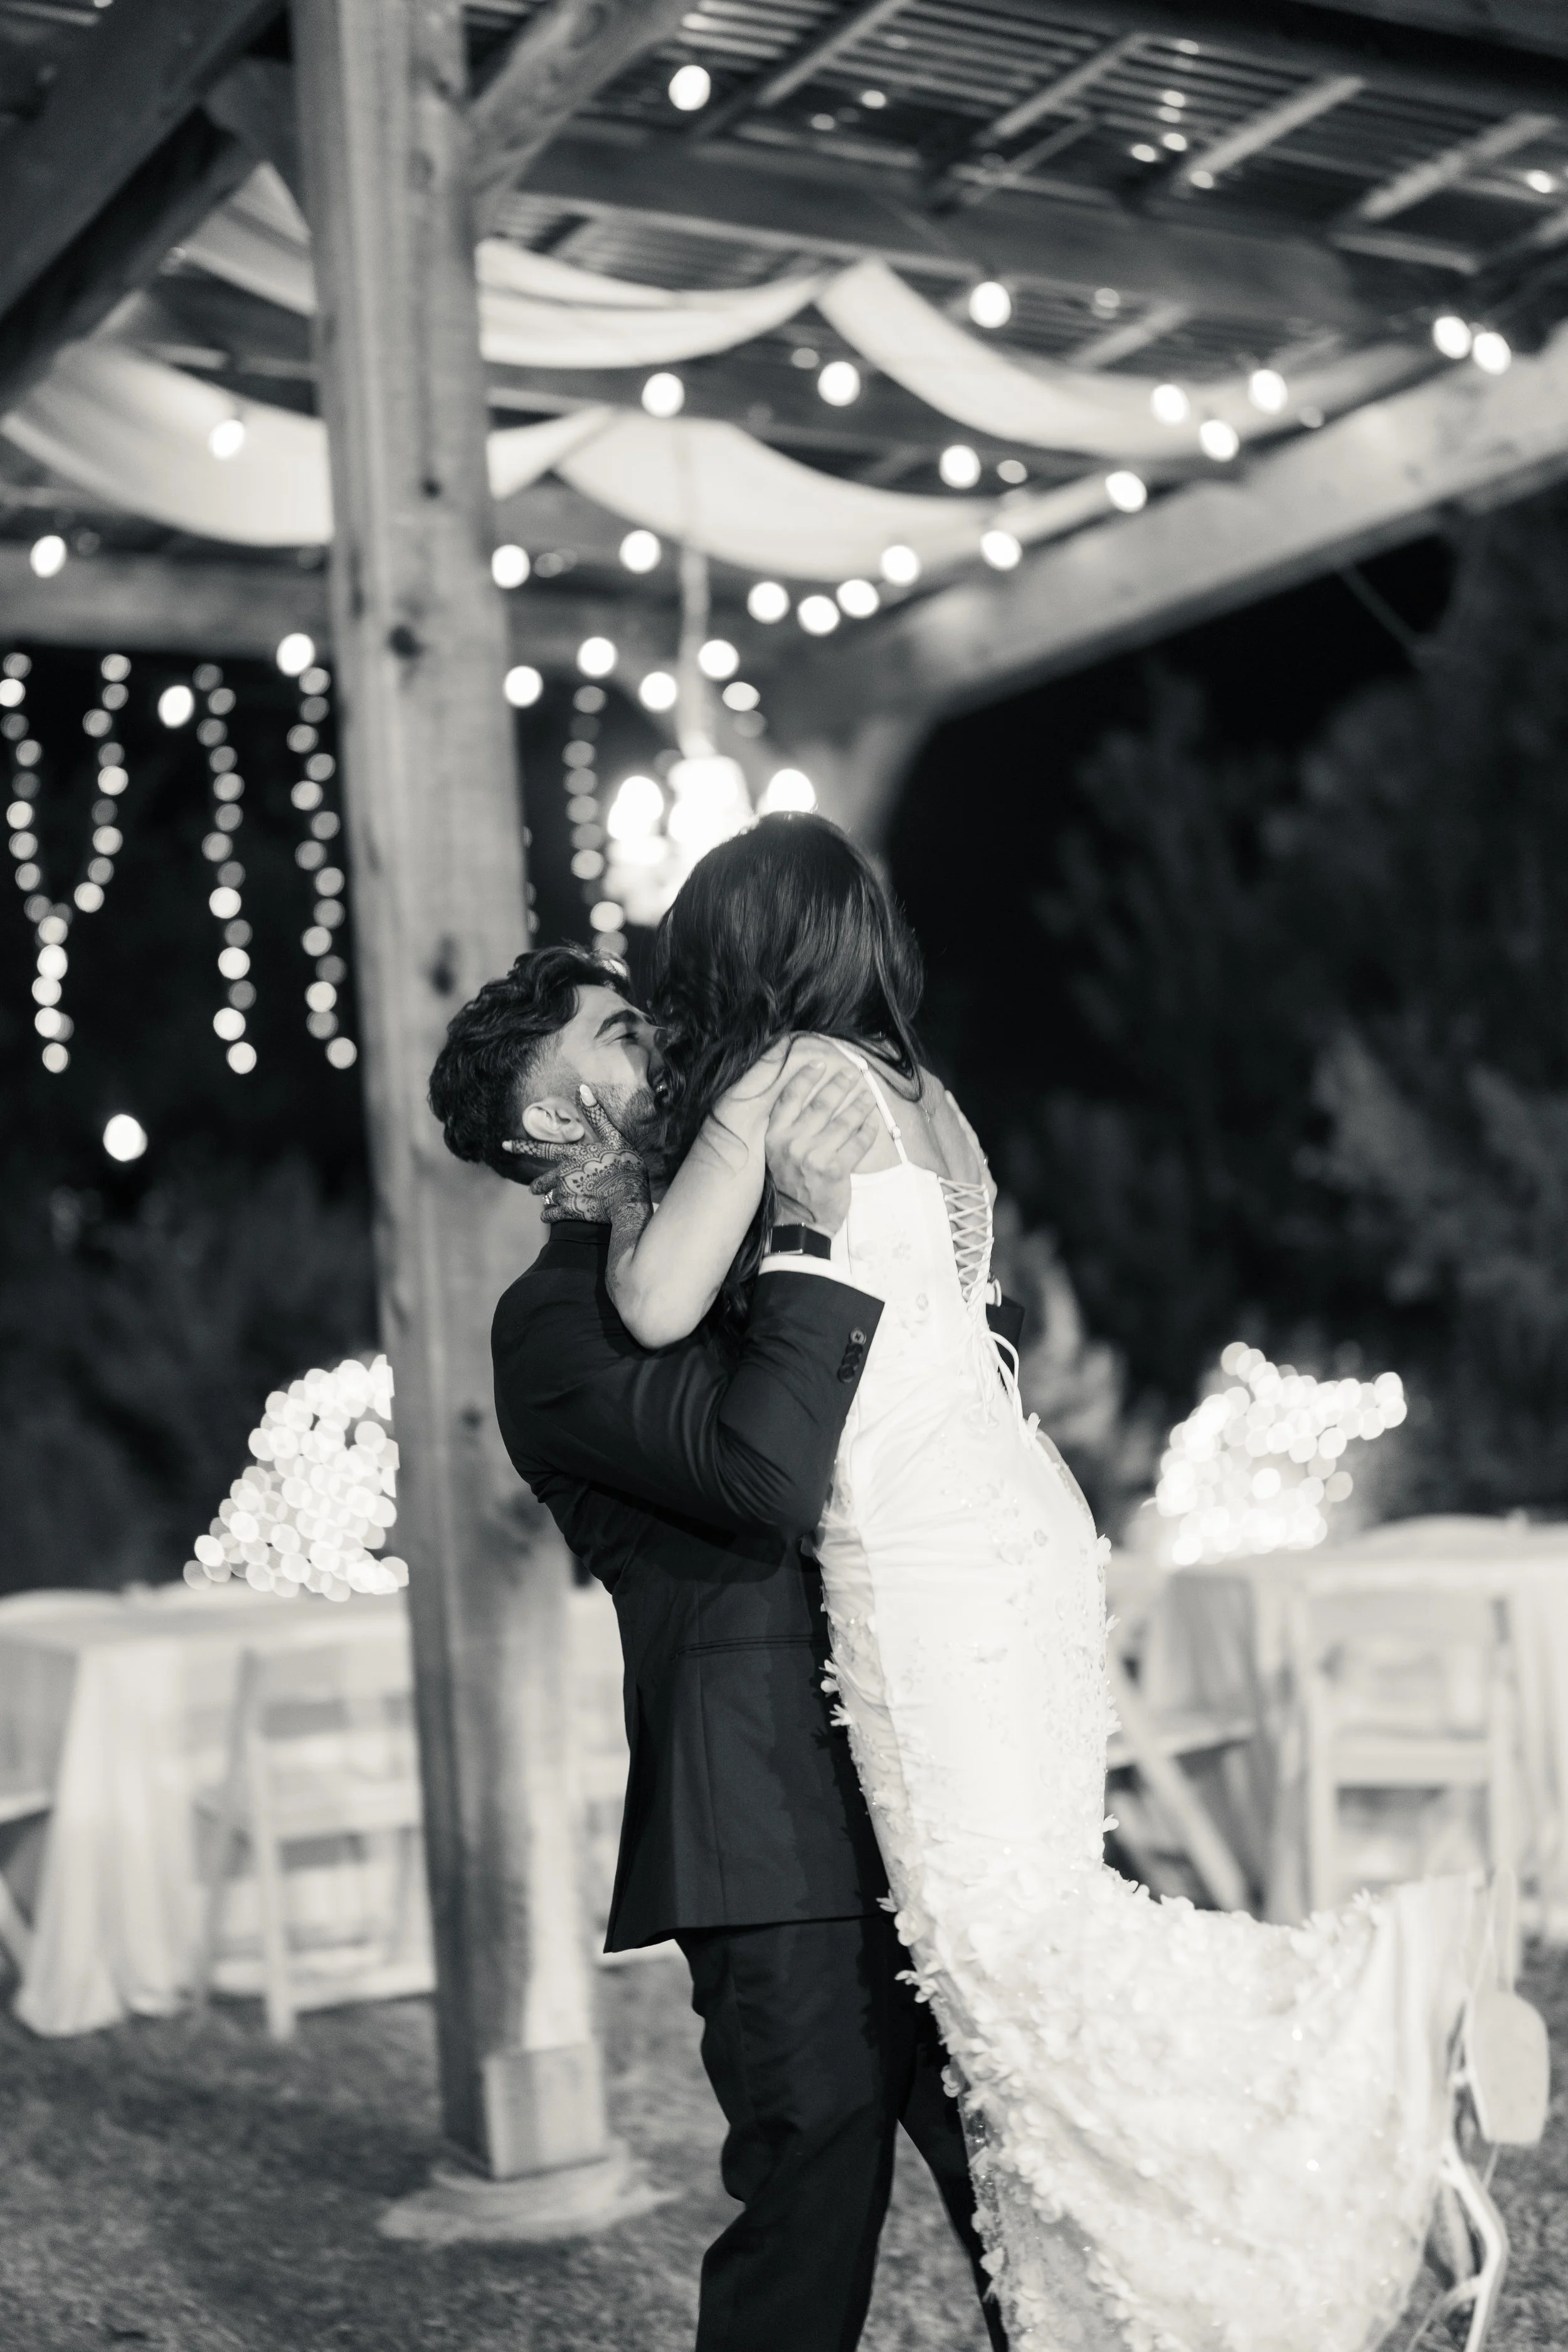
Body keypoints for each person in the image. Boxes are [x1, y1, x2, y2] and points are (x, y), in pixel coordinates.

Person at [538, 813, 1547, 2352]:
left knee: (1007, 1949)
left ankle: (1376, 2024)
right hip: (1018, 1515)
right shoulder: (931, 1099)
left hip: (925, 1547)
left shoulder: (774, 1081)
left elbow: (656, 1298)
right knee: (1037, 1928)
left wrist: (684, 1177)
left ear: (743, 953)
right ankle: (1369, 2100)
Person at [427, 943, 1009, 2352]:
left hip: (935, 1757)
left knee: (1025, 2161)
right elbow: (763, 1481)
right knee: (817, 2193)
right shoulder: (552, 1331)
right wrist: (811, 1236)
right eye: (619, 1035)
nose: (665, 1046)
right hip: (766, 1821)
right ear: (552, 1121)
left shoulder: (723, 1235)